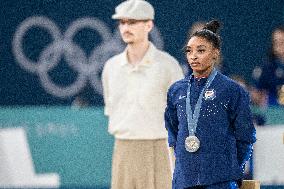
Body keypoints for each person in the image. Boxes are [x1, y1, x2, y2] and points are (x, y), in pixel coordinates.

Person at [164, 20, 256, 189]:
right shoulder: (176, 91)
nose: (193, 56)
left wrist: (230, 170)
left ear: (215, 53)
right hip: (185, 182)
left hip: (221, 182)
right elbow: (173, 133)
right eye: (189, 51)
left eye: (201, 50)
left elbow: (245, 137)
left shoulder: (232, 90)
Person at [102, 0, 184, 188]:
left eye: (132, 22)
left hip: (158, 148)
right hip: (123, 148)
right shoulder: (111, 68)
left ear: (149, 25)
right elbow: (111, 108)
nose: (125, 27)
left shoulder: (167, 66)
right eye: (122, 22)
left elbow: (181, 114)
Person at [252, 26, 284, 106]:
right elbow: (257, 94)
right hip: (273, 113)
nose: (279, 46)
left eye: (282, 42)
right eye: (276, 42)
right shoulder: (267, 67)